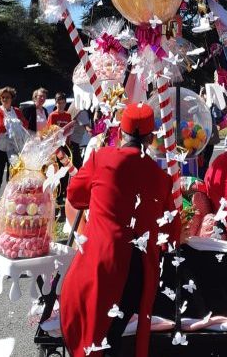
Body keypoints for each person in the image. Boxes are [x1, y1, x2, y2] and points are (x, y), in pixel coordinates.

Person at [60, 102, 180, 357]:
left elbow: (74, 195)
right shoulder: (161, 178)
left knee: (91, 330)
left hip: (101, 261)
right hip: (137, 270)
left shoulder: (100, 158)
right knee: (113, 332)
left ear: (121, 132)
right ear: (150, 138)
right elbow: (171, 231)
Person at [0, 87, 28, 211]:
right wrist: (15, 124)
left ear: (12, 99)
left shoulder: (16, 110)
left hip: (14, 148)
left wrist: (12, 124)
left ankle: (11, 201)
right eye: (3, 98)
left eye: (7, 97)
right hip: (0, 148)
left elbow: (25, 124)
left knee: (13, 175)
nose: (5, 99)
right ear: (0, 99)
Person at [65, 105, 93, 170]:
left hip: (69, 141)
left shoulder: (74, 106)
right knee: (78, 168)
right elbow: (89, 130)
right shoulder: (82, 112)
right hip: (73, 143)